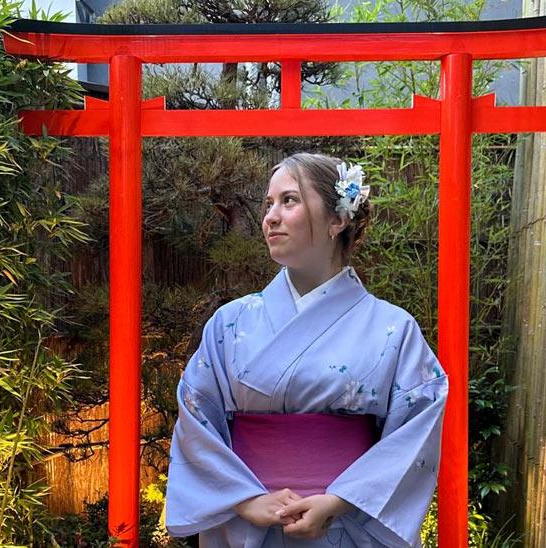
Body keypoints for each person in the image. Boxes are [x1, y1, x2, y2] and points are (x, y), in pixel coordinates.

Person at [164, 152, 449, 547]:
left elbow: (417, 425)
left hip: (346, 525)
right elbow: (196, 417)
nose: (271, 217)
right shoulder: (230, 323)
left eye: (289, 200)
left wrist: (337, 501)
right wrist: (245, 499)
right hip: (247, 524)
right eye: (269, 204)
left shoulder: (392, 328)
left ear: (337, 219)